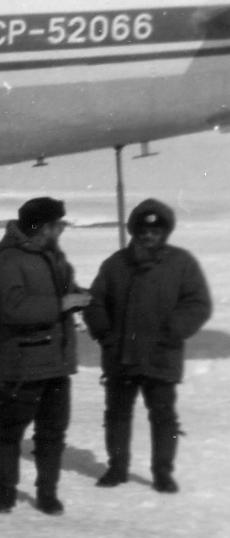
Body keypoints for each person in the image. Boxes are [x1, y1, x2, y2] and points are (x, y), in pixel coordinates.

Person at [83, 199, 212, 493]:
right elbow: (95, 302)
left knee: (164, 417)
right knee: (117, 415)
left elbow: (197, 304)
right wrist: (105, 335)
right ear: (135, 231)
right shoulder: (115, 264)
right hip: (121, 357)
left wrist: (172, 332)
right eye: (143, 230)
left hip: (161, 356)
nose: (149, 235)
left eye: (155, 231)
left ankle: (162, 473)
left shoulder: (182, 263)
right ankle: (117, 468)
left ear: (164, 232)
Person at [0, 196, 91, 515]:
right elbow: (11, 308)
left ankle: (47, 494)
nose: (62, 229)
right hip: (21, 364)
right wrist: (61, 304)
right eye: (59, 224)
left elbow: (65, 292)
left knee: (52, 433)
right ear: (44, 227)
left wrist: (82, 296)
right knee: (9, 432)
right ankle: (5, 494)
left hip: (56, 363)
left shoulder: (55, 257)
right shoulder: (7, 261)